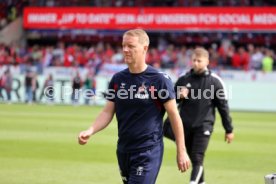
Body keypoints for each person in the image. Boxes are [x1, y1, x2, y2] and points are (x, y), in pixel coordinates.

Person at [78, 29, 190, 184]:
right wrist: (90, 130)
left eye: (130, 46)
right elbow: (107, 112)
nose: (125, 50)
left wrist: (181, 151)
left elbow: (174, 115)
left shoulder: (159, 80)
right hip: (123, 150)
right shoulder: (118, 79)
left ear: (144, 48)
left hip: (148, 152)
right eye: (123, 45)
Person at [174, 47, 234, 184]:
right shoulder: (183, 79)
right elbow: (171, 101)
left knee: (197, 157)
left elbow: (223, 107)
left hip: (204, 126)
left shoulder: (215, 81)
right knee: (195, 159)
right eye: (194, 60)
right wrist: (179, 95)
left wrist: (229, 129)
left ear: (207, 61)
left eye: (199, 61)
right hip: (185, 127)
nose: (195, 63)